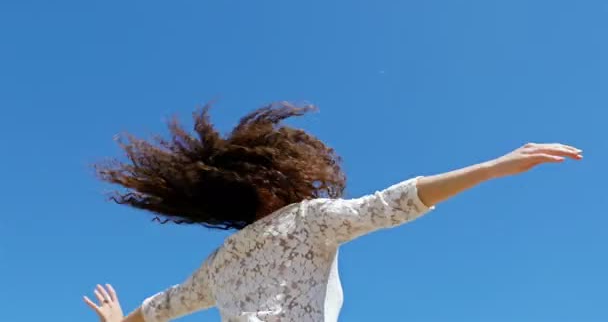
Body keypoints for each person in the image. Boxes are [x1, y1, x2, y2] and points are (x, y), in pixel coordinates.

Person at [83, 102, 583, 322]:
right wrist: (491, 168)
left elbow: (162, 307)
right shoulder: (310, 219)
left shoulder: (222, 260)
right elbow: (393, 203)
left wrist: (118, 321)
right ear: (282, 174)